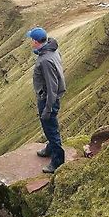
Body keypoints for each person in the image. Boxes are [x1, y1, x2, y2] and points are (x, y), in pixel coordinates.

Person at [27, 27, 66, 173]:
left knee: (51, 129)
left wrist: (48, 108)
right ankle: (50, 148)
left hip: (47, 99)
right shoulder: (51, 50)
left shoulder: (45, 60)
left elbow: (52, 86)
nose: (31, 42)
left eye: (32, 39)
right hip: (48, 98)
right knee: (49, 127)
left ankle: (57, 161)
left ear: (36, 41)